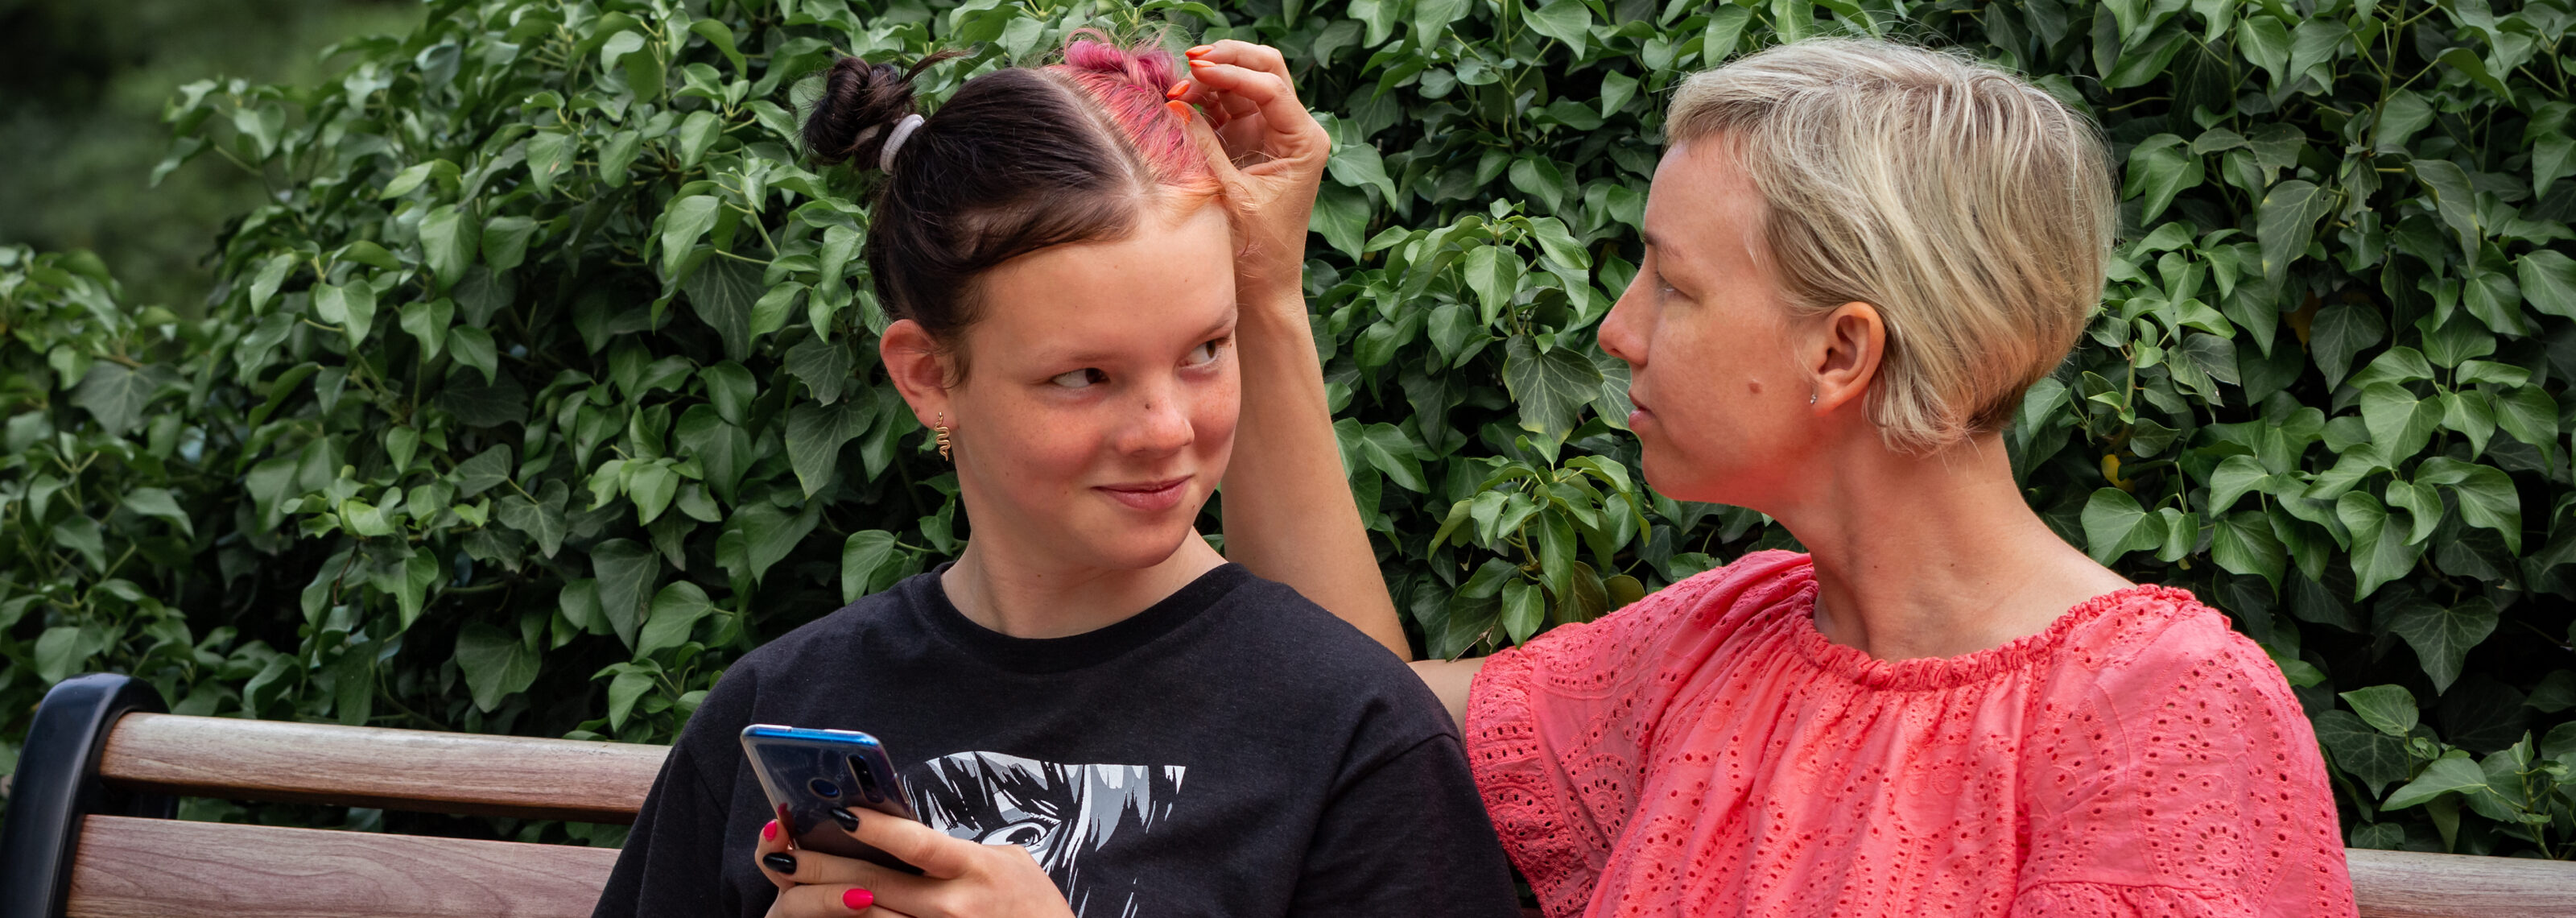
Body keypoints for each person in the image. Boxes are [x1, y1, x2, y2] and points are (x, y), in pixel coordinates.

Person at [1220, 38, 2359, 916]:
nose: (1617, 331)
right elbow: (1350, 705)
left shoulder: (2162, 714)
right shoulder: (1724, 638)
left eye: (1673, 286)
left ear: (1841, 353)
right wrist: (1263, 292)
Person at [587, 36, 1517, 918]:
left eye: (1204, 349)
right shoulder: (779, 704)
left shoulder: (1355, 732)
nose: (1166, 429)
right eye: (1085, 376)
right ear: (926, 377)